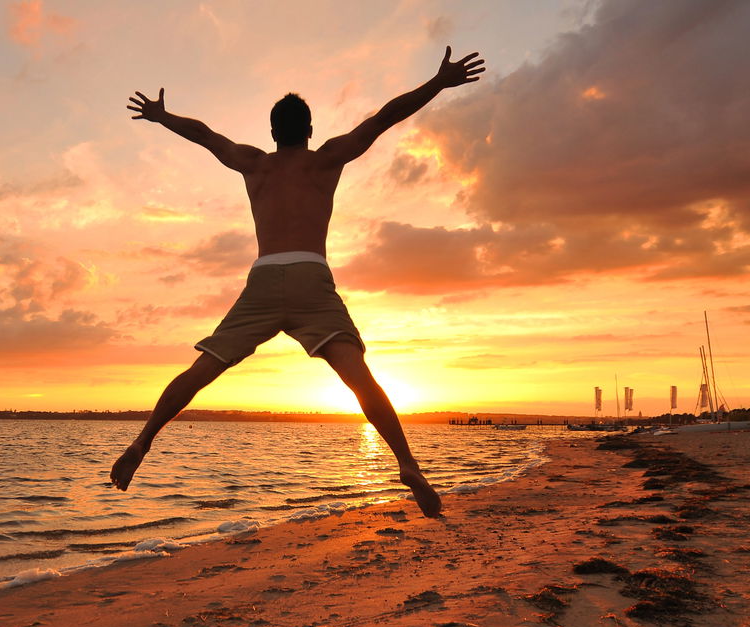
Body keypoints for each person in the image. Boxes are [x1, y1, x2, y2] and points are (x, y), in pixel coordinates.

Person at [111, 46, 486, 518]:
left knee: (202, 371)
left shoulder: (255, 164)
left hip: (264, 278)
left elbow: (206, 135)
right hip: (311, 275)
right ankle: (407, 463)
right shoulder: (325, 160)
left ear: (272, 133)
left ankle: (143, 441)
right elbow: (384, 117)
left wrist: (162, 117)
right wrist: (437, 82)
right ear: (310, 132)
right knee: (360, 379)